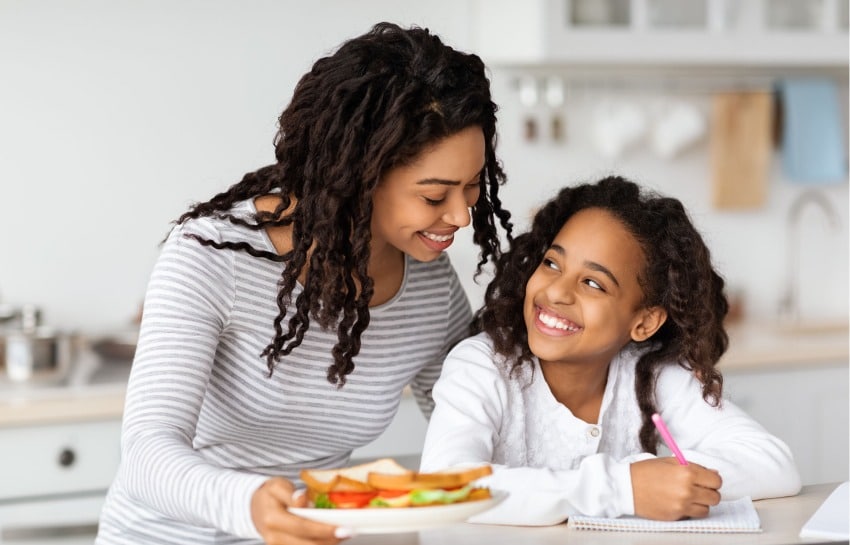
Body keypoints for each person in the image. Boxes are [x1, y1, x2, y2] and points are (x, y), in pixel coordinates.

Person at [96, 22, 513, 545]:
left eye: (472, 188)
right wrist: (249, 507)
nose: (459, 215)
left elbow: (472, 425)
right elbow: (145, 453)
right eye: (434, 196)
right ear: (359, 175)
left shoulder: (428, 282)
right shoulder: (211, 256)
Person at [419, 176, 801, 526]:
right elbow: (445, 486)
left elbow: (775, 464)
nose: (556, 292)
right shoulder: (481, 366)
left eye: (593, 283)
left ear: (645, 322)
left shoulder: (652, 374)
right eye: (552, 263)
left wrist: (665, 482)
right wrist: (624, 489)